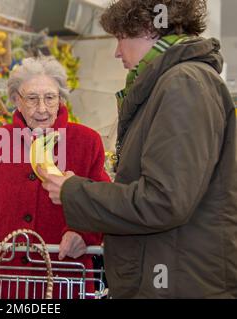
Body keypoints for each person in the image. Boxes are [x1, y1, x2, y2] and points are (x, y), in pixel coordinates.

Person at [39, 0, 237, 299]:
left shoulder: (183, 84)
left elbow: (163, 201)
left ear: (148, 28)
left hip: (176, 282)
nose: (117, 52)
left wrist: (74, 192)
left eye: (120, 38)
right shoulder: (174, 83)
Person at [0, 56, 110, 299]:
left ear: (60, 99)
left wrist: (84, 235)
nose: (42, 108)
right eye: (32, 98)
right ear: (16, 101)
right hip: (7, 280)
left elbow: (103, 204)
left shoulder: (87, 141)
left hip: (66, 277)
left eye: (50, 97)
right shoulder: (1, 140)